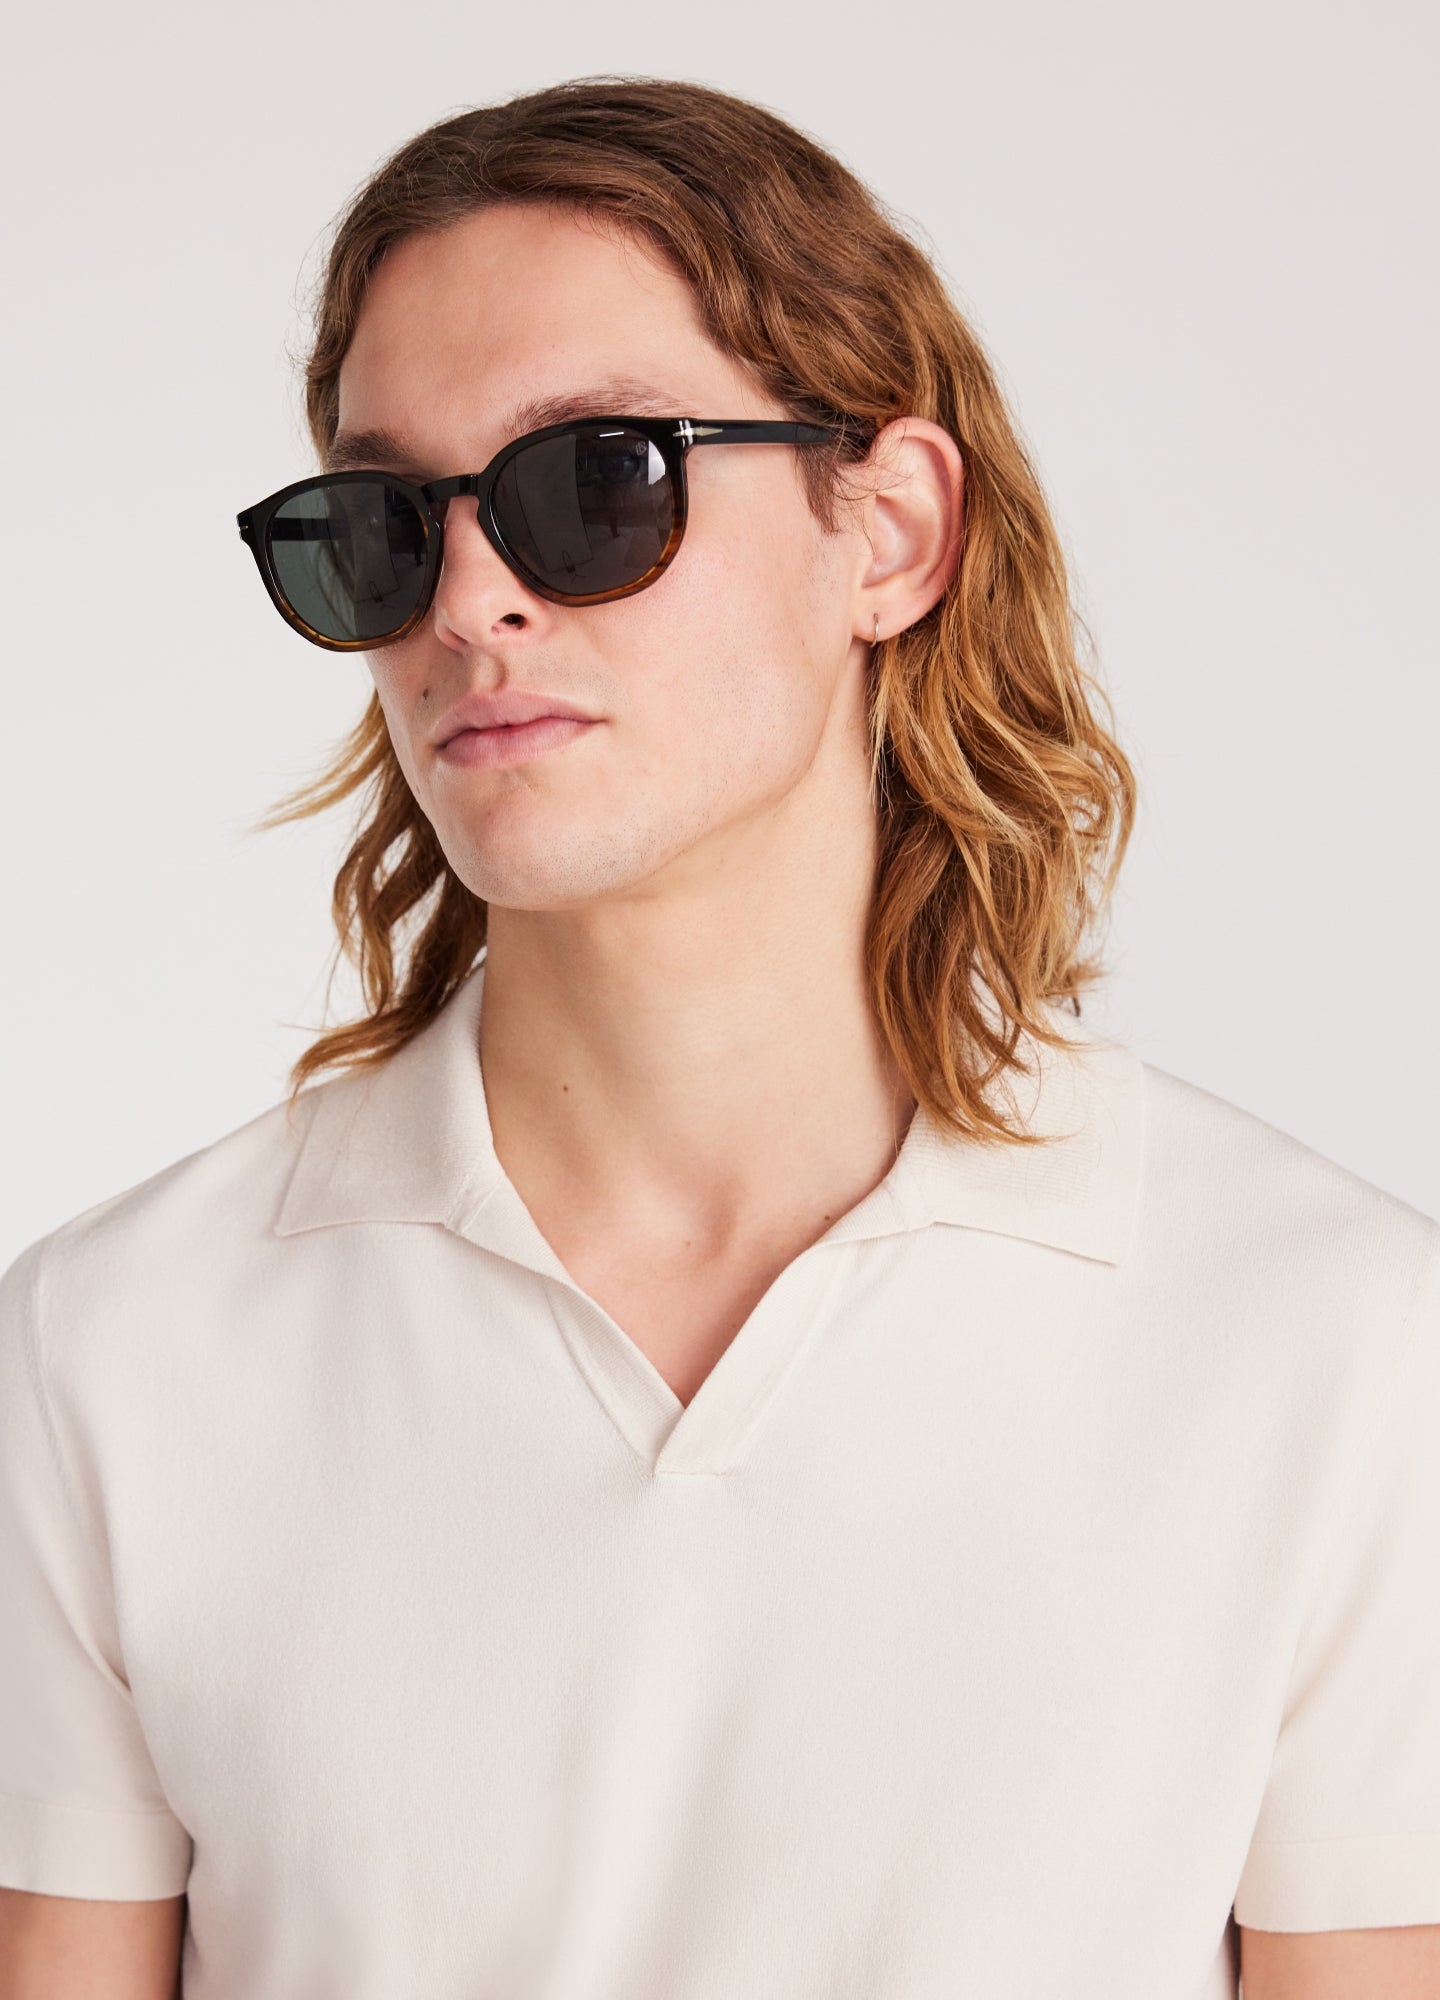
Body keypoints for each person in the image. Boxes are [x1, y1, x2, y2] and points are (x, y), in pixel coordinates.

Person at [1, 75, 1436, 2000]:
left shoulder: (1327, 1342)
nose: (473, 603)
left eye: (597, 484)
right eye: (385, 525)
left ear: (891, 532)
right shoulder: (111, 1354)